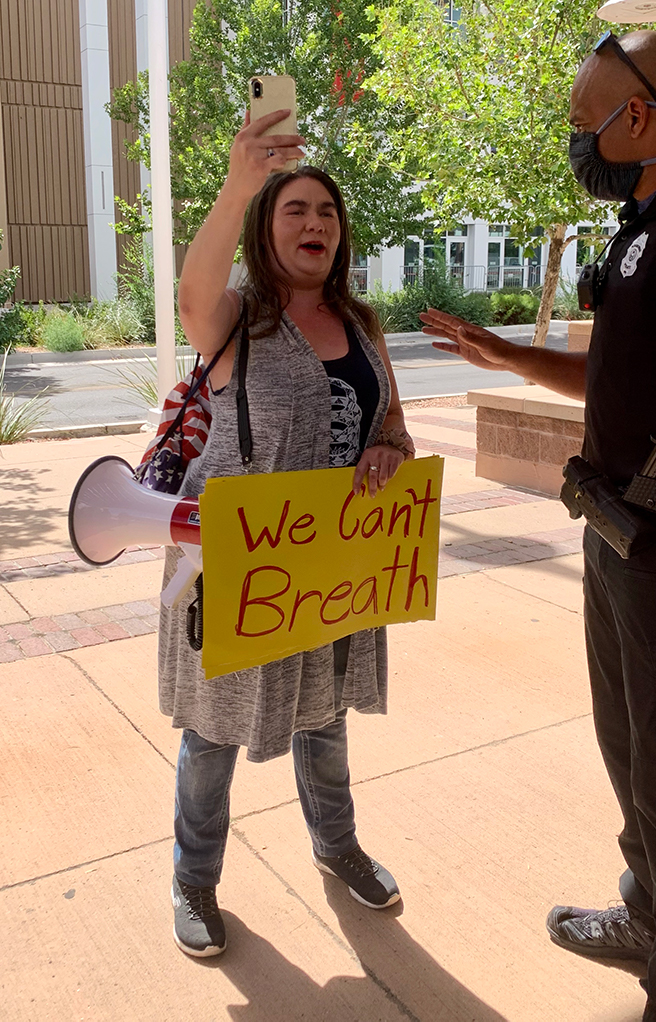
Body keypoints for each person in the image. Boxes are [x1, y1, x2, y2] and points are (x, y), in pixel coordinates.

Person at [421, 30, 656, 1022]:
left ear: (635, 118)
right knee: (630, 745)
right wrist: (510, 355)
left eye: (580, 126)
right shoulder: (644, 220)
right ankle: (651, 914)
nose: (579, 144)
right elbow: (620, 371)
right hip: (618, 534)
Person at [161, 109, 416, 958]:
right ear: (267, 231)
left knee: (327, 716)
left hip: (336, 569)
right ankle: (194, 879)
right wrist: (242, 179)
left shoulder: (366, 325)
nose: (315, 224)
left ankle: (337, 847)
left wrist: (386, 449)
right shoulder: (238, 321)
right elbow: (191, 293)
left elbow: (395, 430)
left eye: (327, 213)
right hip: (241, 566)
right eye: (294, 210)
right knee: (213, 733)